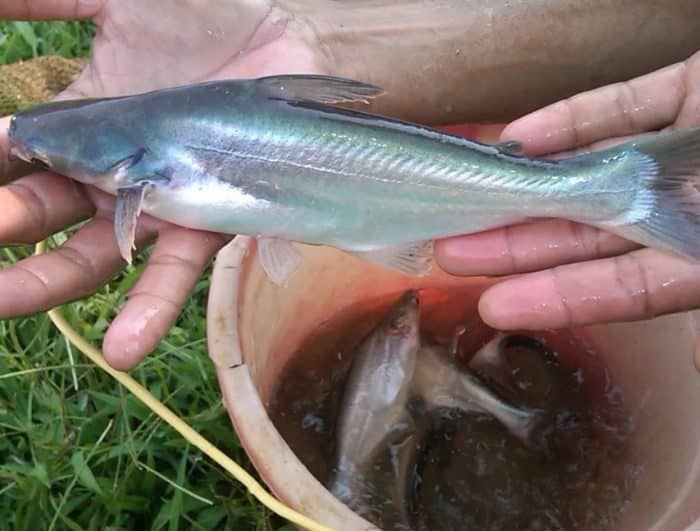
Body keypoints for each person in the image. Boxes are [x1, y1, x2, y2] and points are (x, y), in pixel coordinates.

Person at [1, 0, 699, 370]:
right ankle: (621, 190)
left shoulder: (140, 167)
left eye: (45, 151)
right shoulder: (149, 132)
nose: (39, 154)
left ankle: (625, 190)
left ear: (120, 166)